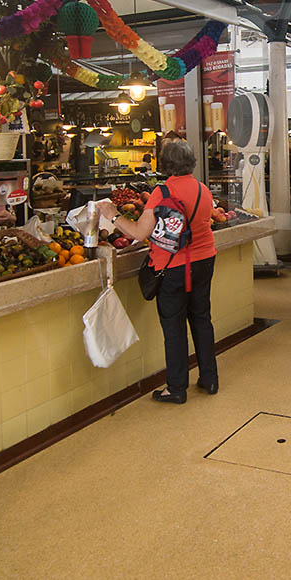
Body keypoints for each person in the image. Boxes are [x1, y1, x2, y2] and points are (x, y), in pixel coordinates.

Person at [98, 140, 218, 404]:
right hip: (204, 261)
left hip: (172, 267)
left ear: (166, 165)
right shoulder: (203, 189)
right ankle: (209, 378)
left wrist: (113, 214)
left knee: (174, 327)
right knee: (201, 319)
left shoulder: (162, 192)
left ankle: (176, 388)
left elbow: (141, 233)